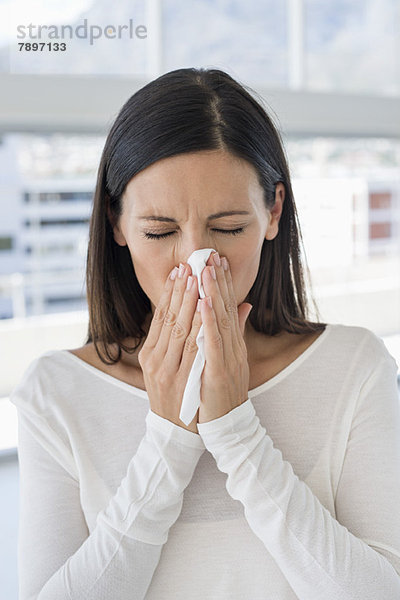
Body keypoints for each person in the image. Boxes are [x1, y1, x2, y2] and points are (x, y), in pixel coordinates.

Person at [10, 67, 400, 599]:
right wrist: (168, 439)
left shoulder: (355, 366)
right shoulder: (55, 392)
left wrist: (238, 432)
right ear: (117, 224)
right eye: (160, 231)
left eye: (229, 228)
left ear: (273, 211)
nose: (196, 264)